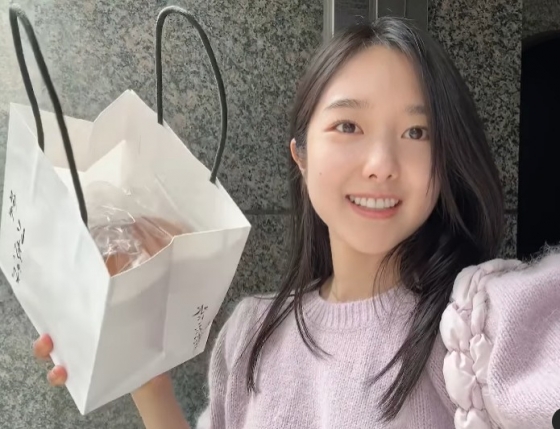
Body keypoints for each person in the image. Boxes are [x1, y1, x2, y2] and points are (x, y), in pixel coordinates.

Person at [32, 17, 560, 429]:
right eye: (348, 125)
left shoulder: (479, 323)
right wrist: (146, 380)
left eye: (417, 133)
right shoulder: (251, 335)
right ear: (300, 156)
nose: (381, 163)